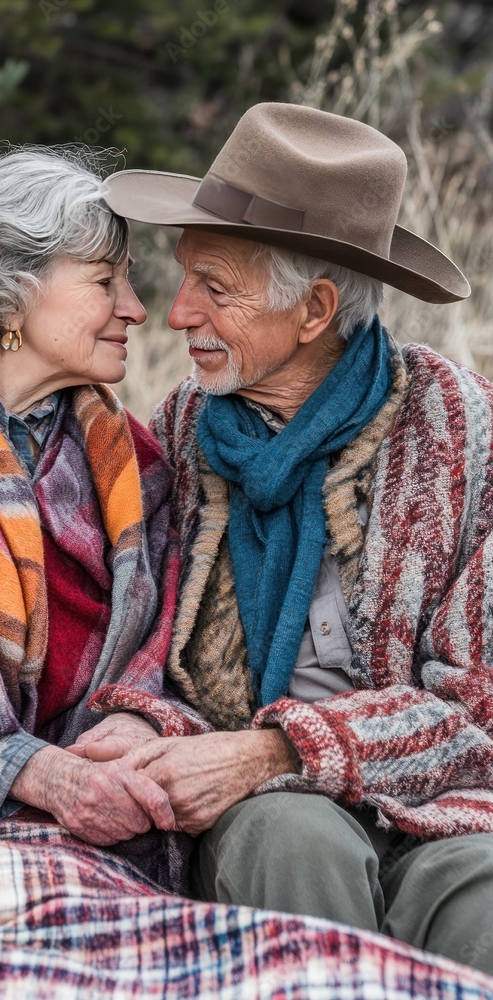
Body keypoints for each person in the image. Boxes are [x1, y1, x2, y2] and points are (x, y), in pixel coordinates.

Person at [87, 103, 493, 974]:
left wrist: (285, 746)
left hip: (440, 802)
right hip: (266, 804)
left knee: (482, 891)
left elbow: (478, 708)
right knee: (291, 836)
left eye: (214, 287)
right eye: (183, 276)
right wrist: (140, 722)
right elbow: (143, 644)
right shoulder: (186, 432)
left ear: (312, 310)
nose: (176, 313)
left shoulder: (463, 436)